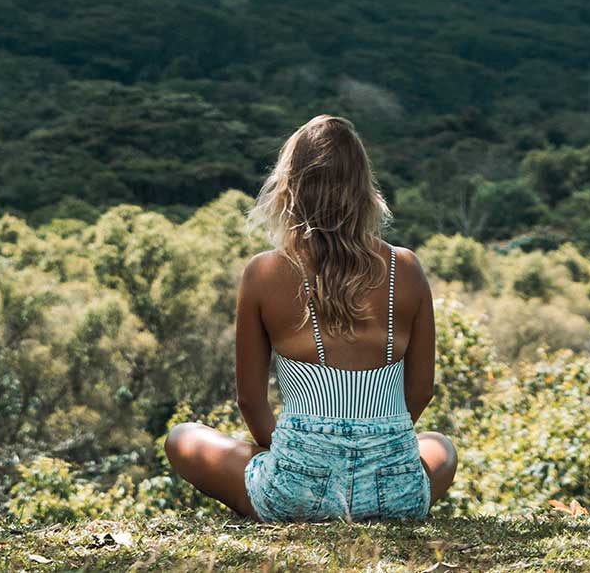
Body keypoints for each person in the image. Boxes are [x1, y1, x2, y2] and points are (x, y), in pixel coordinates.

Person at [164, 114, 457, 522]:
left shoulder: (264, 272)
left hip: (296, 493)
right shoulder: (405, 267)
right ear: (364, 188)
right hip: (396, 492)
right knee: (440, 446)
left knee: (183, 437)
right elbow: (421, 390)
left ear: (290, 187)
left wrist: (302, 458)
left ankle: (287, 494)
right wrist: (374, 446)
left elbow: (250, 399)